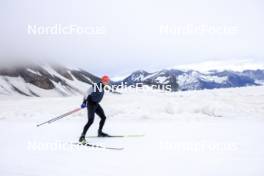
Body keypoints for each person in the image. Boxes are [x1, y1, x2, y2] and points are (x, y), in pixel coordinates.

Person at [79, 75, 110, 143]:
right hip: (91, 104)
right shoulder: (96, 86)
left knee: (103, 117)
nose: (106, 82)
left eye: (107, 81)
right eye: (105, 81)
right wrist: (84, 102)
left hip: (96, 104)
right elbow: (86, 93)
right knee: (90, 121)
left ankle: (100, 132)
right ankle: (82, 136)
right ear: (102, 80)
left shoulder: (103, 86)